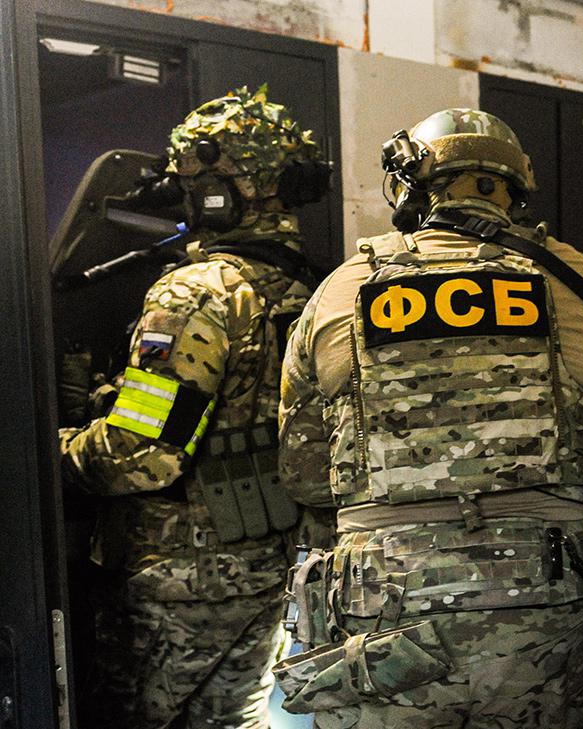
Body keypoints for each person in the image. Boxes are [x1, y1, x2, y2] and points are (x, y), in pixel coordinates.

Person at [275, 108, 583, 728]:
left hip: (384, 604)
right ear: (514, 188)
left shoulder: (343, 288)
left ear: (410, 186)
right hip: (549, 593)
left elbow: (304, 472)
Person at [59, 86, 330, 728]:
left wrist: (58, 453)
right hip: (267, 572)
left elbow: (144, 451)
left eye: (191, 184)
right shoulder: (312, 290)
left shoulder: (196, 292)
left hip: (178, 580)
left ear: (219, 189)